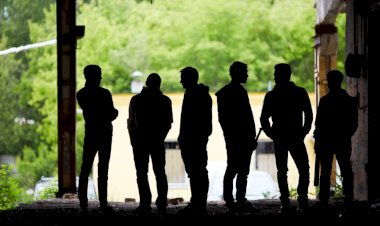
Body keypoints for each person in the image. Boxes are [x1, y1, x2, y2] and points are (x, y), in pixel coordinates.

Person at [260, 63, 313, 213]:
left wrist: (272, 134)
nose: (275, 76)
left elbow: (264, 119)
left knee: (282, 170)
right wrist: (303, 132)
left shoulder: (272, 95)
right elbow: (308, 115)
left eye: (276, 74)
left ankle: (285, 202)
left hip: (281, 137)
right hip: (296, 136)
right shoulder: (300, 92)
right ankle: (302, 201)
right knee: (303, 169)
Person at [215, 61, 258, 213]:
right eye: (245, 72)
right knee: (238, 169)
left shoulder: (225, 93)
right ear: (237, 73)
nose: (247, 75)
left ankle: (232, 199)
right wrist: (247, 136)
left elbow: (226, 120)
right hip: (239, 138)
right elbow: (244, 118)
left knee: (235, 168)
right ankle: (237, 199)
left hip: (236, 138)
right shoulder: (237, 92)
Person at [127, 73, 173, 215]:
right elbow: (167, 124)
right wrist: (159, 138)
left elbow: (130, 123)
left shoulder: (136, 100)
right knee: (160, 173)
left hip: (140, 142)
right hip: (157, 142)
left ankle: (145, 204)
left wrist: (134, 141)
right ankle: (162, 203)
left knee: (142, 174)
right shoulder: (165, 101)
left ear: (146, 83)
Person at [76, 64, 119, 213]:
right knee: (103, 169)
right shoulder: (105, 94)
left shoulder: (80, 94)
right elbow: (112, 114)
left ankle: (83, 204)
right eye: (99, 74)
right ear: (96, 76)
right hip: (105, 133)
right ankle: (103, 204)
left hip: (91, 133)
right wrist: (112, 113)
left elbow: (93, 112)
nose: (100, 77)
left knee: (85, 168)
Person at [313, 70, 358, 209]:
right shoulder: (348, 100)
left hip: (327, 141)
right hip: (342, 140)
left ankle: (325, 198)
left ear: (332, 83)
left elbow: (318, 124)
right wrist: (345, 135)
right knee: (346, 169)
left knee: (325, 170)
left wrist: (319, 140)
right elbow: (354, 123)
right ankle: (349, 197)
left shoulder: (325, 101)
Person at [177, 66, 212, 215]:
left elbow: (194, 121)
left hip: (194, 140)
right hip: (194, 140)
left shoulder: (195, 95)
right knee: (197, 172)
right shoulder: (198, 94)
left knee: (197, 172)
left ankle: (198, 204)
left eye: (183, 78)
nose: (180, 81)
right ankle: (198, 203)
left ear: (190, 79)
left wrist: (188, 137)